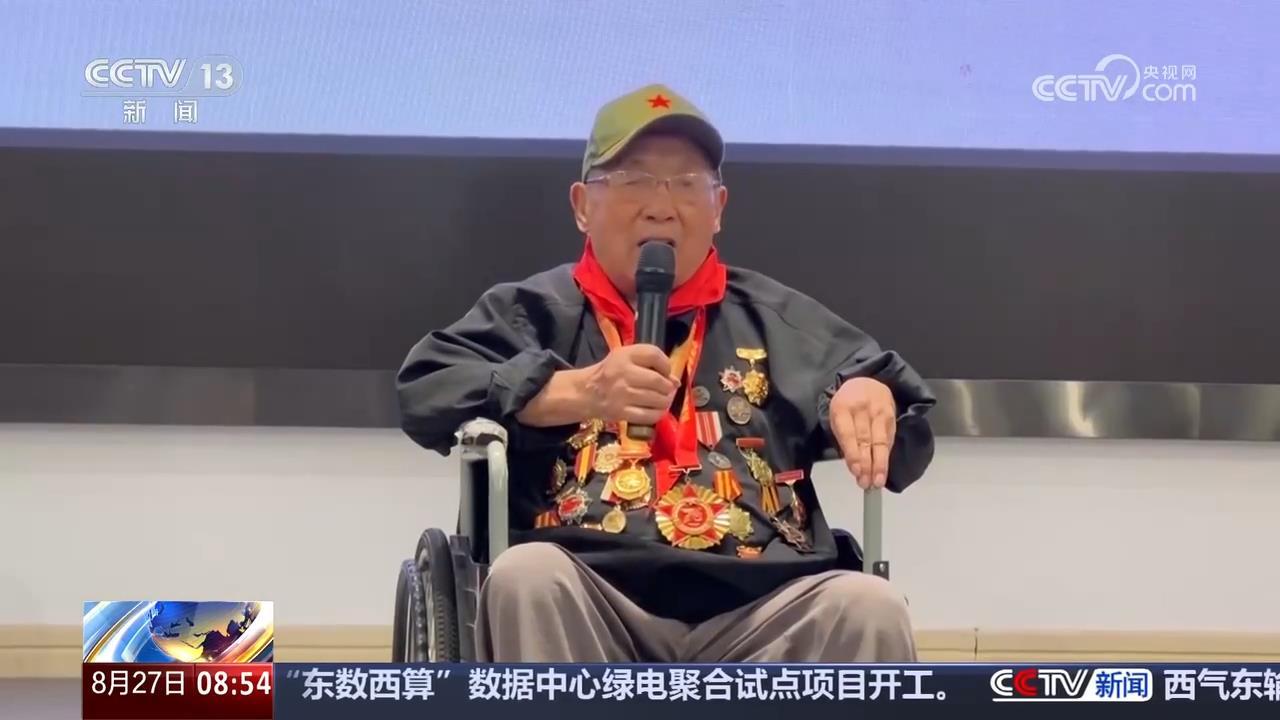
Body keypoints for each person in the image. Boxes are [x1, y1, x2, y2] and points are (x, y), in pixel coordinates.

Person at [397, 83, 937, 663]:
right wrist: (571, 391)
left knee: (869, 606)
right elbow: (425, 387)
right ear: (582, 205)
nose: (661, 205)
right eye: (634, 181)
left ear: (718, 207)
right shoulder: (532, 313)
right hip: (588, 599)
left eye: (686, 184)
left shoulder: (779, 321)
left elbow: (907, 434)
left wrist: (868, 393)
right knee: (526, 576)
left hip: (764, 610)